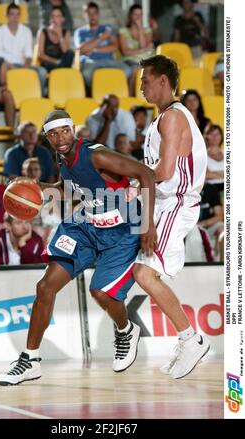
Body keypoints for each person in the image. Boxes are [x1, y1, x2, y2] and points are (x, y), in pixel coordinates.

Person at [0, 109, 156, 386]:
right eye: (54, 134)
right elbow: (68, 188)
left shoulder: (97, 154)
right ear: (47, 138)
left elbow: (145, 174)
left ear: (73, 130)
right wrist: (36, 188)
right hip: (87, 224)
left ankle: (126, 330)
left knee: (101, 292)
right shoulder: (62, 156)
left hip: (122, 228)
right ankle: (30, 359)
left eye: (64, 131)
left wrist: (148, 227)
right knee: (45, 287)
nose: (60, 138)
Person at [132, 55, 210, 379]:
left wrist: (134, 184)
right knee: (146, 273)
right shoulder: (164, 118)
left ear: (163, 80)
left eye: (145, 80)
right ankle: (187, 339)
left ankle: (191, 339)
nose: (141, 87)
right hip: (167, 201)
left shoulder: (173, 117)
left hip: (176, 202)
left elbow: (164, 171)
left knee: (144, 274)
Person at [74, 2, 131, 92]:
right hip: (90, 62)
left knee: (127, 70)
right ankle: (98, 94)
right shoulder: (80, 32)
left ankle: (113, 94)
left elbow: (114, 47)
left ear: (98, 14)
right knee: (86, 73)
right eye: (89, 13)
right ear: (84, 15)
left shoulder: (107, 28)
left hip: (109, 61)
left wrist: (92, 48)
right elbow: (81, 50)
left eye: (94, 13)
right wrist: (101, 37)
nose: (92, 16)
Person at [0, 2, 47, 96]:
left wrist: (26, 67)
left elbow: (29, 55)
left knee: (42, 72)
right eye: (12, 14)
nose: (15, 17)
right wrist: (9, 65)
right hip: (5, 65)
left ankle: (39, 98)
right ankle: (4, 98)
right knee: (2, 69)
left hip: (22, 64)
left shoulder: (26, 31)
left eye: (17, 14)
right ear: (7, 16)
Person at [118, 4, 154, 94]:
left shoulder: (147, 31)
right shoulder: (123, 31)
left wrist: (140, 28)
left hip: (146, 60)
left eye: (140, 14)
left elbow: (143, 44)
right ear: (130, 16)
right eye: (135, 14)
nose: (138, 17)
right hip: (130, 60)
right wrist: (142, 50)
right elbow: (125, 52)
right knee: (135, 70)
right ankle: (131, 96)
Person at [36, 6, 74, 73]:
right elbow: (40, 55)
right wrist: (56, 61)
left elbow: (66, 52)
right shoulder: (42, 32)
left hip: (62, 63)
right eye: (53, 16)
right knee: (63, 67)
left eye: (58, 16)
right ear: (50, 19)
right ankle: (61, 71)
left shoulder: (66, 32)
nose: (54, 18)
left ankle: (61, 70)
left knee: (70, 53)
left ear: (63, 19)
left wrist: (60, 36)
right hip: (48, 64)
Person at [197, 182, 224, 259]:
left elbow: (219, 216)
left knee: (223, 230)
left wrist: (203, 224)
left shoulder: (211, 189)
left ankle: (221, 264)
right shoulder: (185, 188)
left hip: (207, 226)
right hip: (190, 228)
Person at [204, 124, 224, 194]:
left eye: (217, 134)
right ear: (206, 136)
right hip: (211, 189)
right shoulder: (203, 155)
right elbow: (205, 175)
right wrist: (224, 174)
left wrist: (213, 173)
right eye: (212, 134)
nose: (215, 137)